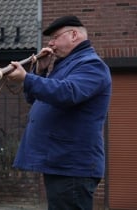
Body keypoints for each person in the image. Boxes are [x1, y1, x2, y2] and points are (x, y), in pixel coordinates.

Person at [7, 15, 112, 210]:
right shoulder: (66, 65)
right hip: (61, 161)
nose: (51, 43)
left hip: (73, 165)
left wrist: (27, 79)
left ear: (73, 35)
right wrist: (40, 73)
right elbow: (36, 99)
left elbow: (68, 93)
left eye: (55, 37)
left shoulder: (91, 65)